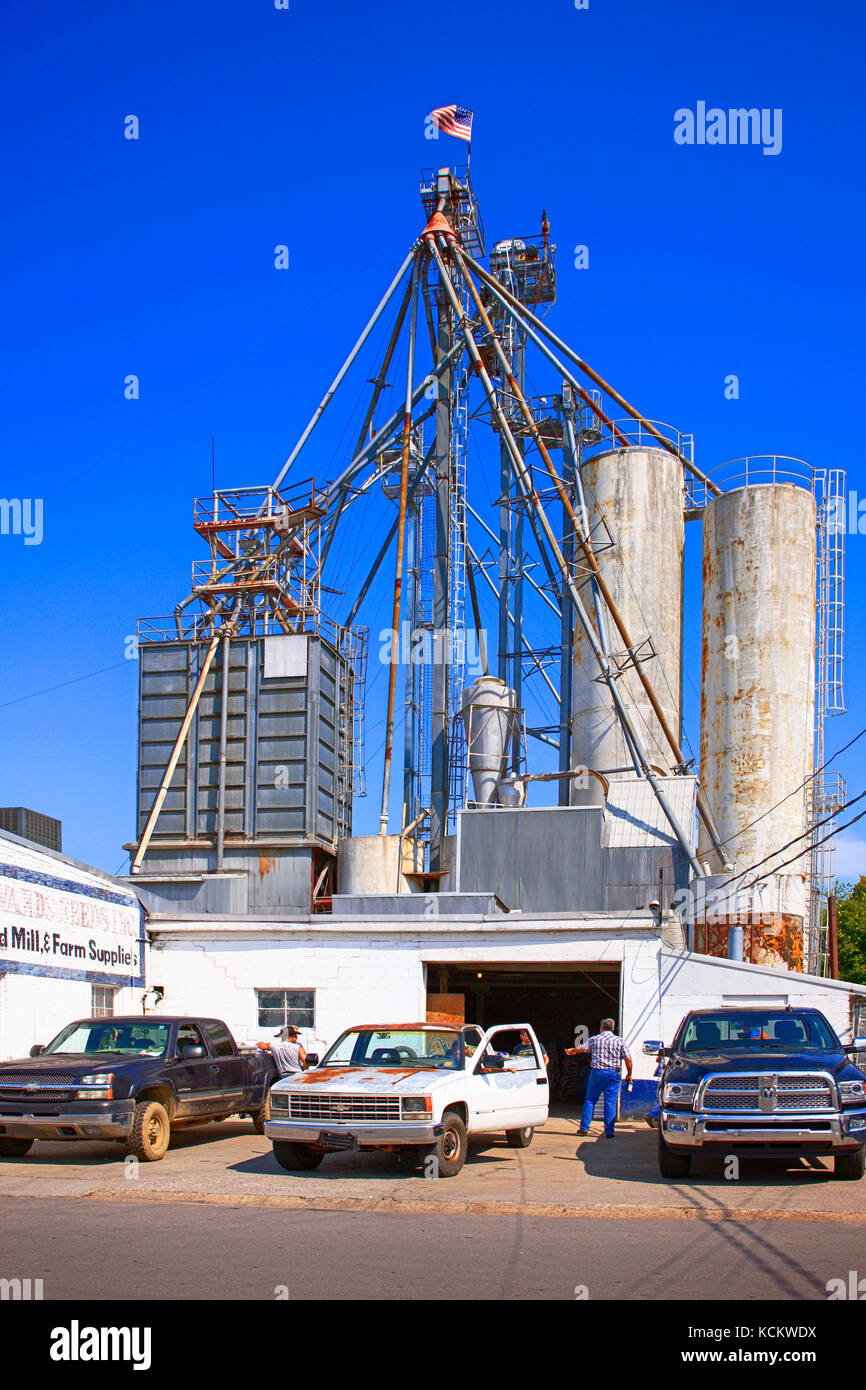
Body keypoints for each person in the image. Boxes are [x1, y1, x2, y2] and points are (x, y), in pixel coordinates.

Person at [566, 1018, 632, 1139]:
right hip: (614, 1074)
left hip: (597, 1073)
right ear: (613, 1028)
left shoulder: (594, 1039)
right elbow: (628, 1059)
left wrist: (573, 1050)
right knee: (610, 1102)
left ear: (601, 1028)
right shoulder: (620, 1041)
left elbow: (582, 1049)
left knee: (590, 1100)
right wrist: (629, 1074)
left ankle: (584, 1128)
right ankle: (609, 1131)